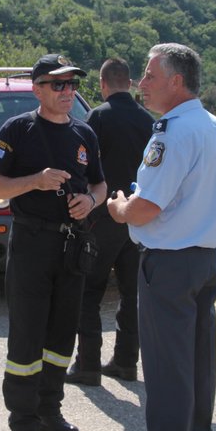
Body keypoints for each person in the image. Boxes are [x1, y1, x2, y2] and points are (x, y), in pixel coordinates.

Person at [108, 43, 216, 431]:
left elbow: (146, 208)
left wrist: (119, 208)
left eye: (149, 75)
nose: (141, 84)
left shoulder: (172, 132)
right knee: (198, 364)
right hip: (205, 260)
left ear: (176, 82)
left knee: (166, 369)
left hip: (170, 263)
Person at [0, 54, 107, 431]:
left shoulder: (84, 133)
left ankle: (50, 411)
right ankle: (23, 424)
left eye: (71, 84)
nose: (68, 91)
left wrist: (90, 200)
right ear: (37, 89)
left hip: (72, 248)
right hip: (33, 244)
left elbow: (102, 184)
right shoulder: (18, 130)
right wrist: (35, 181)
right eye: (58, 85)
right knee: (27, 336)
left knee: (60, 337)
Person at [65, 57, 154, 387]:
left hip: (100, 220)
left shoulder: (96, 118)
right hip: (138, 219)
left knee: (89, 292)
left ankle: (88, 365)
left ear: (103, 85)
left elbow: (80, 167)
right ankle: (126, 362)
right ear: (129, 84)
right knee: (132, 294)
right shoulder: (150, 122)